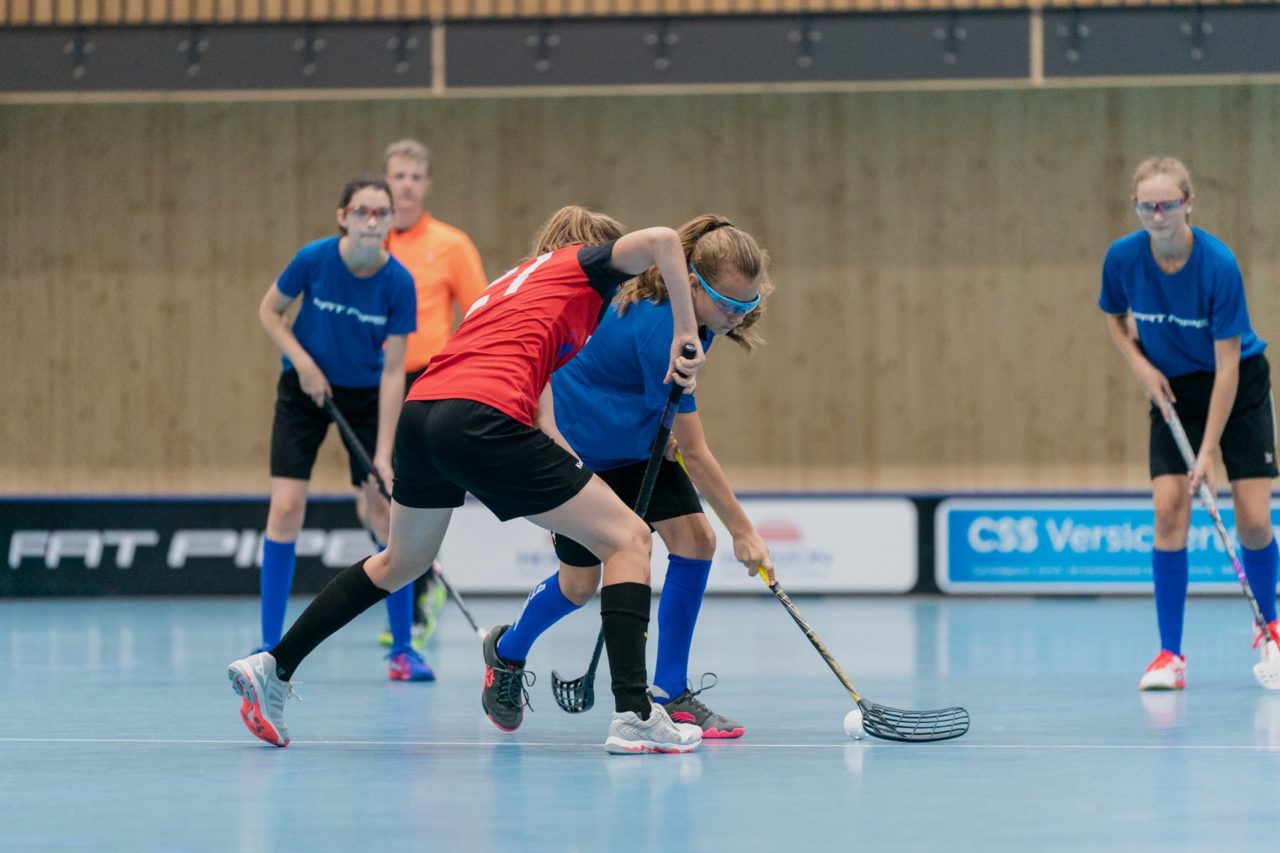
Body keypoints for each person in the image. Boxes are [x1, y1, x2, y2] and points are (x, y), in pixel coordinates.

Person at [228, 204, 731, 754]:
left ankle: (274, 666)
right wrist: (687, 334)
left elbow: (546, 422)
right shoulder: (581, 268)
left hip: (423, 415)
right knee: (631, 537)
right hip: (481, 418)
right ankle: (636, 713)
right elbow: (661, 238)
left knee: (401, 562)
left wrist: (581, 494)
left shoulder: (512, 289)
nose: (620, 292)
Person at [483, 214, 774, 739]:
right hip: (580, 454)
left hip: (637, 447)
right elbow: (696, 450)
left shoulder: (698, 317)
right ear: (692, 285)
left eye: (747, 305)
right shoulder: (661, 324)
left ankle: (670, 692)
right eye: (727, 303)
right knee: (578, 586)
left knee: (694, 541)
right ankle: (506, 653)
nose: (736, 315)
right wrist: (745, 532)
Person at [1099, 156, 1279, 691]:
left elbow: (1227, 367)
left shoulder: (1218, 264)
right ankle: (1170, 656)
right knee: (1169, 509)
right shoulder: (1123, 258)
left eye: (1168, 204)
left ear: (1188, 203)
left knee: (1250, 517)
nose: (1158, 215)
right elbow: (1114, 316)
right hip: (1171, 389)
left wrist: (1205, 454)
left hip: (1236, 387)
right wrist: (1142, 366)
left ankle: (1269, 623)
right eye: (1147, 206)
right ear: (1137, 207)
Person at [254, 175, 424, 681]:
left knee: (383, 512)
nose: (373, 221)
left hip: (366, 398)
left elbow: (395, 372)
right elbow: (270, 312)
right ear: (343, 216)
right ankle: (268, 643)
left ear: (392, 220)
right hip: (303, 390)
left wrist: (385, 453)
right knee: (285, 508)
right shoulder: (313, 259)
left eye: (382, 213)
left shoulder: (399, 282)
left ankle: (402, 648)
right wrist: (304, 364)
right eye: (363, 212)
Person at [373, 138, 489, 655]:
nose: (406, 186)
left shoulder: (451, 243)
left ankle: (418, 597)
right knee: (375, 499)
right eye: (398, 176)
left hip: (430, 382)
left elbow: (482, 312)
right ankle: (411, 590)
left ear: (427, 185)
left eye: (416, 177)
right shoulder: (369, 243)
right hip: (374, 383)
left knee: (414, 493)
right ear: (386, 182)